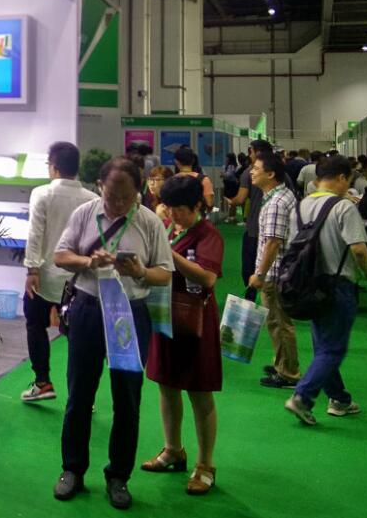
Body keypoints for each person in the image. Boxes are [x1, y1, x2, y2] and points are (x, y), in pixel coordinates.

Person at [52, 157, 173, 510]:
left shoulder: (149, 221)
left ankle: (118, 476)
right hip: (88, 309)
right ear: (99, 187)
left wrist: (139, 271)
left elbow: (165, 273)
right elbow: (60, 256)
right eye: (111, 196)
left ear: (139, 191)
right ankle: (72, 469)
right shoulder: (84, 214)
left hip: (129, 314)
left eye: (126, 197)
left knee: (127, 399)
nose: (118, 204)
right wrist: (88, 262)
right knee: (79, 394)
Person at [283, 156, 367, 426]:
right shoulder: (343, 207)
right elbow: (358, 249)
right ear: (341, 177)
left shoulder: (300, 207)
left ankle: (339, 399)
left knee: (324, 347)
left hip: (308, 285)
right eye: (348, 180)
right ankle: (302, 397)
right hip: (338, 285)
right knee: (333, 350)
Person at [142, 175, 224, 496]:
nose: (174, 214)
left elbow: (208, 278)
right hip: (165, 316)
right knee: (166, 386)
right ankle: (173, 450)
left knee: (199, 393)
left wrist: (169, 255)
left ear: (197, 205)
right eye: (170, 207)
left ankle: (205, 465)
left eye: (181, 209)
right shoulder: (169, 229)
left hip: (195, 322)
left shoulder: (208, 234)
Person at [21, 141, 98, 403]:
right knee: (79, 336)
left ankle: (42, 382)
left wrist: (31, 269)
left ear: (53, 167)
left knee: (35, 325)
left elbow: (35, 234)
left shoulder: (42, 193)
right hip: (79, 279)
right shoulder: (93, 199)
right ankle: (82, 396)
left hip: (44, 275)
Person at [247, 151, 301, 388]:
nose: (251, 172)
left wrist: (260, 274)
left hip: (275, 274)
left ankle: (288, 373)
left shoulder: (276, 203)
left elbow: (272, 242)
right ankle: (283, 363)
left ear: (270, 174)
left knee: (279, 323)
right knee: (278, 323)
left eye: (256, 169)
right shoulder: (280, 196)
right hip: (281, 271)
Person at [227, 139, 277, 302]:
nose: (250, 156)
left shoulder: (248, 172)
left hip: (255, 230)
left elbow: (240, 198)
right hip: (269, 230)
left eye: (251, 151)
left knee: (250, 268)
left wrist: (231, 202)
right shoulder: (281, 174)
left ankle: (251, 298)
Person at [173, 146, 214, 211]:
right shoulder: (203, 179)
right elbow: (209, 203)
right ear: (193, 160)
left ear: (176, 161)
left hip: (178, 215)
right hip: (197, 215)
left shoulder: (172, 180)